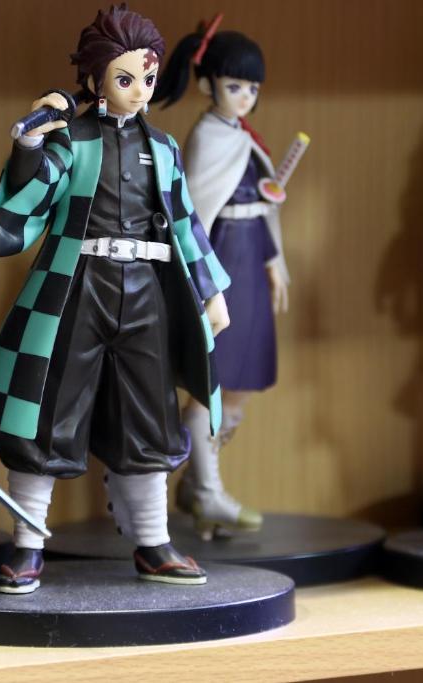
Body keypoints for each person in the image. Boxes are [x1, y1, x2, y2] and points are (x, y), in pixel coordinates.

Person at [0, 4, 232, 594]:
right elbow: (31, 201)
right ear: (94, 78)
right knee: (44, 411)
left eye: (148, 78)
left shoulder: (163, 148)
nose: (139, 90)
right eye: (124, 78)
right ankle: (28, 543)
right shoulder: (74, 142)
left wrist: (210, 290)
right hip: (74, 291)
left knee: (149, 417)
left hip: (146, 294)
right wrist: (31, 144)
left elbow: (186, 224)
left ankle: (153, 542)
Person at [152, 19, 290, 539]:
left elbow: (259, 206)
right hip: (222, 265)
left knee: (240, 386)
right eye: (235, 86)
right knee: (211, 383)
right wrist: (199, 281)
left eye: (253, 88)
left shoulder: (241, 136)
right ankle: (206, 489)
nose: (246, 97)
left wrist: (274, 260)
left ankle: (198, 484)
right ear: (209, 84)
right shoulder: (209, 136)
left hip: (250, 261)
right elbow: (198, 214)